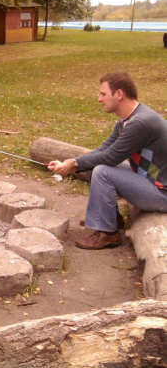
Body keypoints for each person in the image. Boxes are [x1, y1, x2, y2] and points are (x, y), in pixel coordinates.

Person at [48, 72, 167, 250]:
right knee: (94, 164)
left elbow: (112, 157)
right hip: (147, 181)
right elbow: (103, 150)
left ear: (119, 94)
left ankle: (109, 235)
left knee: (103, 171)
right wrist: (73, 162)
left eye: (103, 94)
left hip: (161, 193)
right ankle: (112, 218)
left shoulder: (140, 123)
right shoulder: (126, 121)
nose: (99, 99)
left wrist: (75, 164)